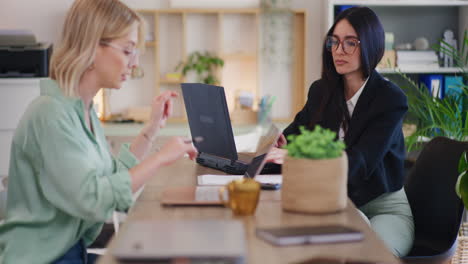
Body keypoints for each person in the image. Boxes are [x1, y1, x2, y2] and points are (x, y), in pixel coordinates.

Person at [0, 0, 197, 263]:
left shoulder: (83, 109)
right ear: (92, 47)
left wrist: (151, 131)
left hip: (72, 250)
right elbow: (94, 199)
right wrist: (160, 159)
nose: (135, 64)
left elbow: (112, 176)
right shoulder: (50, 114)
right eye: (127, 51)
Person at [274, 7, 414, 257]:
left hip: (384, 207)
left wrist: (300, 159)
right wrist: (277, 146)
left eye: (351, 43)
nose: (339, 50)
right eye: (335, 42)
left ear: (371, 45)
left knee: (367, 255)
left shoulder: (390, 99)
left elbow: (360, 162)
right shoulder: (322, 91)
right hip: (336, 200)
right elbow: (293, 137)